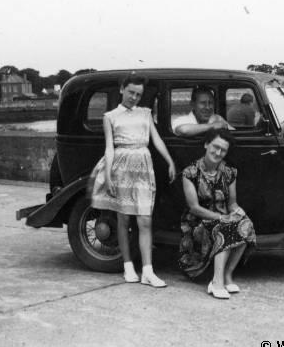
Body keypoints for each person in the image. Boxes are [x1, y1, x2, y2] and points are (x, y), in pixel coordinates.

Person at [88, 75, 176, 287]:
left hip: (143, 168)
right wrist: (108, 175)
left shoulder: (145, 113)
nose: (134, 98)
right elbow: (109, 147)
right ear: (122, 90)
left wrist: (170, 161)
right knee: (124, 220)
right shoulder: (110, 116)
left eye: (138, 94)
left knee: (145, 220)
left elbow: (156, 140)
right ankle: (128, 266)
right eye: (131, 93)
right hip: (121, 168)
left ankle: (148, 271)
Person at [178, 128, 256, 299]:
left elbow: (232, 203)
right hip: (197, 223)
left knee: (246, 224)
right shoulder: (190, 172)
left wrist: (238, 212)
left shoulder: (229, 172)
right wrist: (222, 218)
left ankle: (228, 275)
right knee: (226, 227)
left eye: (223, 150)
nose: (218, 152)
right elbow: (194, 207)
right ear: (206, 144)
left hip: (222, 218)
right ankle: (216, 281)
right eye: (215, 147)